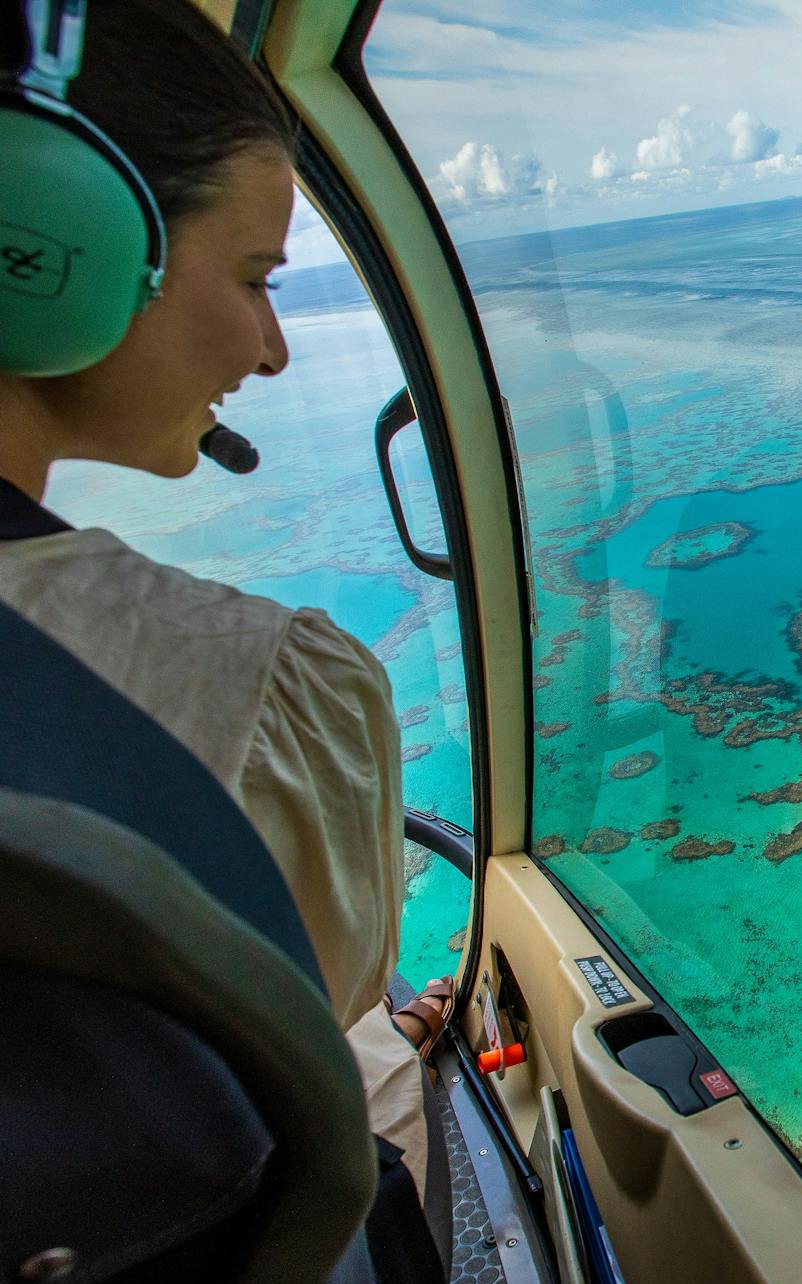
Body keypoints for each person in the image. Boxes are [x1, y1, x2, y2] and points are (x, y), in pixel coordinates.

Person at [0, 0, 448, 1220]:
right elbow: (324, 1000)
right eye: (255, 278)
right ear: (54, 239)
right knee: (383, 1067)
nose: (272, 352)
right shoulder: (259, 693)